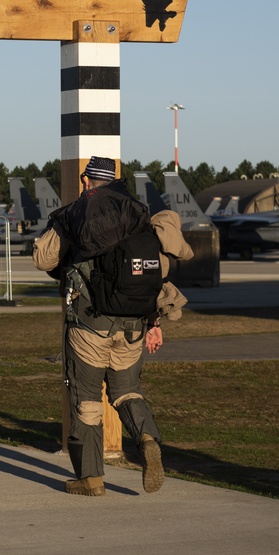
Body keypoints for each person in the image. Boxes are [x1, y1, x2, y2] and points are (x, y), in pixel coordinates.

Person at [33, 156, 193, 496]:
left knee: (87, 399)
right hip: (134, 325)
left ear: (86, 180)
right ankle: (147, 438)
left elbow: (42, 259)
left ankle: (90, 477)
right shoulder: (139, 215)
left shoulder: (79, 215)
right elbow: (156, 272)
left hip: (90, 327)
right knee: (127, 392)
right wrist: (154, 321)